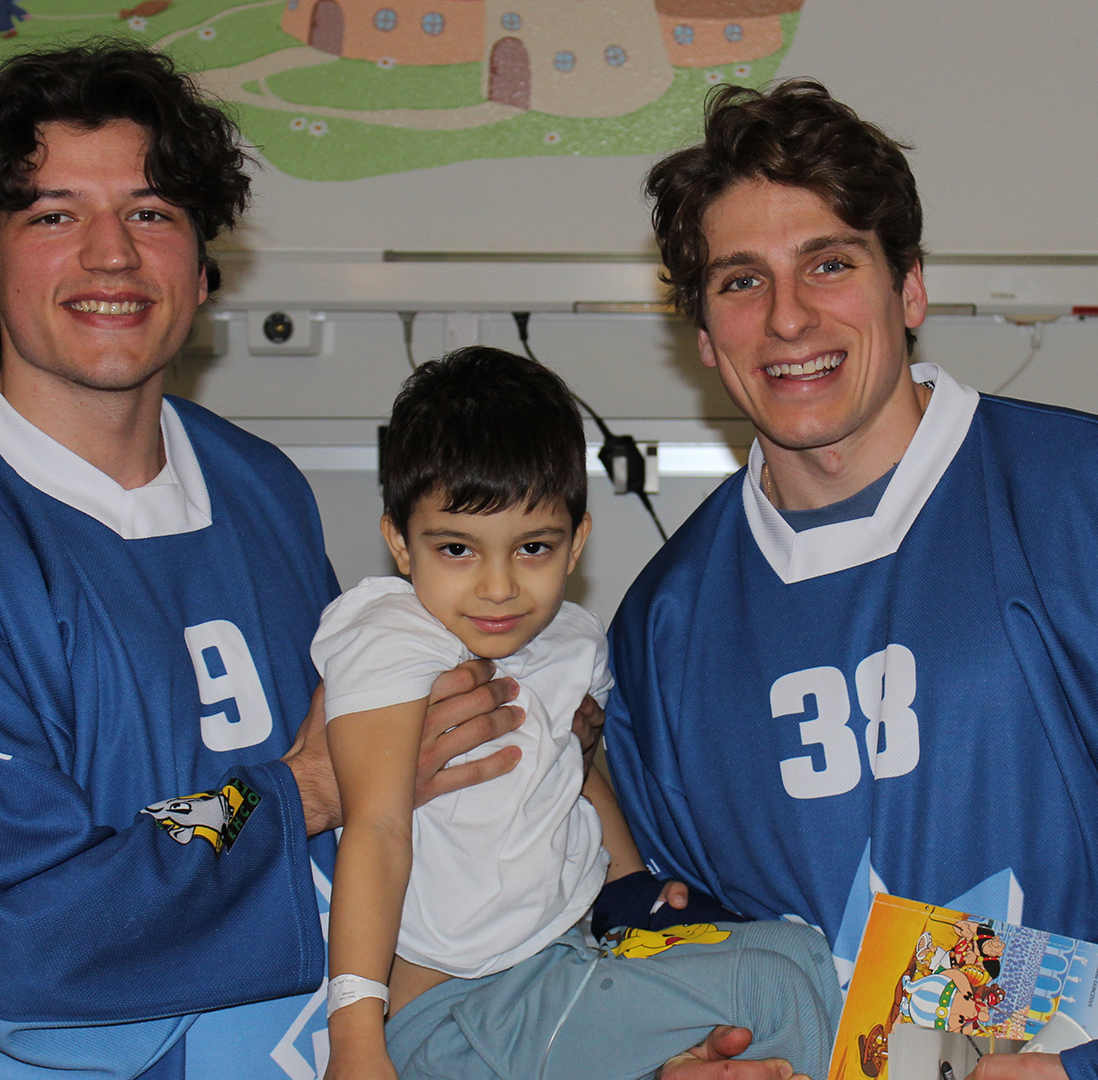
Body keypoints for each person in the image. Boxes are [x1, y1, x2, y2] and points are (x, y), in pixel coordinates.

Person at [0, 44, 536, 1078]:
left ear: (200, 267)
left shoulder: (260, 489)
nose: (112, 255)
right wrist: (298, 797)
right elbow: (22, 927)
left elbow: (376, 780)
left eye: (150, 213)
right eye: (53, 217)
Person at [603, 81, 1098, 1080]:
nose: (788, 317)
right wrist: (685, 1056)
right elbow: (690, 952)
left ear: (908, 290)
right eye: (741, 282)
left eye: (829, 264)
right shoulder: (664, 628)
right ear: (702, 335)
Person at [312, 347, 840, 1080]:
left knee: (799, 951)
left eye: (532, 547)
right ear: (401, 543)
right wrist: (354, 1038)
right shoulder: (391, 637)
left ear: (576, 543)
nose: (498, 587)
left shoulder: (570, 639)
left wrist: (634, 893)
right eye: (458, 549)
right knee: (773, 993)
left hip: (562, 964)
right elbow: (376, 827)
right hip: (457, 1015)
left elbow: (575, 774)